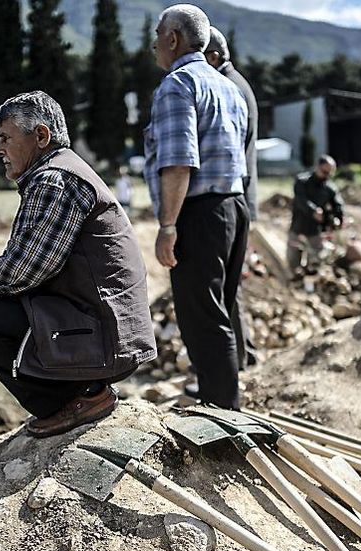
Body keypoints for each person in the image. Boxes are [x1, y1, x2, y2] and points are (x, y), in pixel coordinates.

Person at [0, 91, 156, 437]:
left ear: (41, 136)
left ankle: (79, 399)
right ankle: (80, 392)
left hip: (106, 337)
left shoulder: (55, 178)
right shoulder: (57, 172)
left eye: (5, 138)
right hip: (105, 330)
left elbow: (26, 266)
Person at [144, 4, 249, 409]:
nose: (154, 44)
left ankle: (223, 417)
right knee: (218, 314)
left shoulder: (177, 84)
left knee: (203, 322)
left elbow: (178, 162)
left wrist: (168, 225)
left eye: (158, 35)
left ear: (173, 39)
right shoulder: (229, 89)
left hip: (200, 213)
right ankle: (225, 405)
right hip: (233, 209)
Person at [205, 25, 259, 369]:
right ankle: (243, 354)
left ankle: (236, 361)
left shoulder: (230, 88)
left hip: (230, 197)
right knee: (230, 286)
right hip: (241, 196)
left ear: (212, 57)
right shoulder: (239, 85)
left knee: (225, 287)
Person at [288, 154, 343, 273]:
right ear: (317, 167)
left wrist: (338, 218)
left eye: (329, 173)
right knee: (293, 261)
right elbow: (300, 200)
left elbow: (338, 206)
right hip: (298, 227)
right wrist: (313, 210)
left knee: (317, 260)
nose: (326, 176)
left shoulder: (329, 188)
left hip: (315, 231)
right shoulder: (302, 181)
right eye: (324, 172)